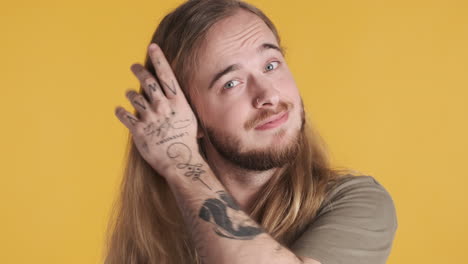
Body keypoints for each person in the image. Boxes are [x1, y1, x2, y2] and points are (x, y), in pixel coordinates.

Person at [106, 0, 398, 263]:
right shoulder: (151, 238)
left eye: (271, 65)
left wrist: (181, 161)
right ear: (187, 116)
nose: (268, 95)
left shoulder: (358, 204)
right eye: (231, 83)